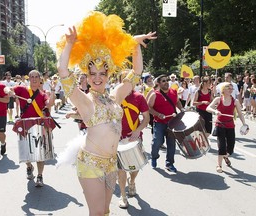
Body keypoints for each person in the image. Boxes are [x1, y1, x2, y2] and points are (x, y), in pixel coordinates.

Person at [56, 11, 156, 216]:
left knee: (105, 211)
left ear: (109, 73)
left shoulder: (115, 96)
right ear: (87, 75)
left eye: (102, 73)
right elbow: (63, 73)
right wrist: (69, 44)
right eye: (92, 74)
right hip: (90, 163)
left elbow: (136, 73)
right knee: (97, 213)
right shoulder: (84, 100)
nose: (97, 78)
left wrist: (134, 45)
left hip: (111, 163)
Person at [10, 70, 55, 187]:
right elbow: (7, 90)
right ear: (29, 79)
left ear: (40, 79)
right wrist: (9, 92)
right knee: (25, 153)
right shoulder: (21, 89)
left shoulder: (43, 94)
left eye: (36, 77)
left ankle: (40, 176)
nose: (34, 79)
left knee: (40, 154)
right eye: (32, 77)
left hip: (39, 126)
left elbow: (49, 104)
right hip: (25, 126)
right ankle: (29, 167)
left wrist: (53, 91)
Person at [117, 71, 149, 209]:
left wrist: (137, 131)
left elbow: (146, 118)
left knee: (135, 167)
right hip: (118, 138)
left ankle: (132, 181)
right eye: (123, 80)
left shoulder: (139, 97)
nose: (126, 83)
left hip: (135, 137)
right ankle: (123, 195)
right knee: (121, 168)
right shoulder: (114, 97)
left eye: (128, 80)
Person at [206, 82, 248, 173]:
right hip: (220, 125)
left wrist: (244, 124)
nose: (231, 90)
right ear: (223, 90)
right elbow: (208, 108)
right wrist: (215, 111)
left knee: (231, 147)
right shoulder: (218, 99)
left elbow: (240, 114)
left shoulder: (235, 101)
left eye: (231, 88)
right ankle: (219, 165)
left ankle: (225, 155)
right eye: (228, 88)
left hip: (230, 125)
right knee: (221, 146)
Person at [147, 74, 183, 172]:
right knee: (157, 142)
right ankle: (154, 157)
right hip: (159, 123)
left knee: (171, 144)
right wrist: (158, 114)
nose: (166, 82)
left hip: (172, 122)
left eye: (167, 80)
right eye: (163, 81)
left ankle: (169, 164)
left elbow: (177, 102)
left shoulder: (174, 92)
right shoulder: (155, 94)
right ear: (158, 83)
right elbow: (149, 108)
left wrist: (182, 109)